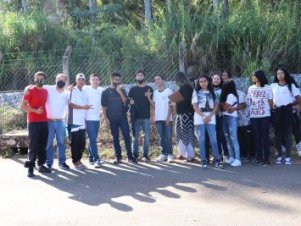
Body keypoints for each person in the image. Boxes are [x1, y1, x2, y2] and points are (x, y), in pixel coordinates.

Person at [21, 71, 51, 177]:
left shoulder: (45, 91)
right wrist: (35, 111)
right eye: (38, 78)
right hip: (33, 122)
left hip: (44, 121)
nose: (40, 80)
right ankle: (30, 167)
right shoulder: (29, 90)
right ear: (34, 79)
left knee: (43, 144)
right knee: (33, 145)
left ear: (44, 80)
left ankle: (41, 165)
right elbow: (23, 106)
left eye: (42, 78)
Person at [101, 72, 135, 164]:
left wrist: (120, 92)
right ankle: (118, 157)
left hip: (122, 117)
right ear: (112, 80)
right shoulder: (105, 92)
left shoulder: (122, 90)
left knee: (127, 136)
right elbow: (104, 107)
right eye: (116, 79)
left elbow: (125, 102)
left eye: (119, 80)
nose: (118, 81)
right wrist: (106, 119)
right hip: (112, 119)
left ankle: (130, 157)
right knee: (115, 138)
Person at [271, 68, 301, 165]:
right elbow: (270, 98)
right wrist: (273, 105)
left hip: (288, 113)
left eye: (281, 73)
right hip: (277, 112)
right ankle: (280, 155)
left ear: (285, 74)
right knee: (278, 135)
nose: (279, 75)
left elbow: (299, 98)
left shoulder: (291, 86)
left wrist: (291, 104)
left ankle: (288, 156)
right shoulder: (273, 86)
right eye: (278, 73)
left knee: (288, 135)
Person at [192, 75, 223, 168]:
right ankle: (203, 160)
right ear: (199, 83)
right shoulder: (196, 92)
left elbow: (216, 106)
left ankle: (217, 160)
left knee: (214, 140)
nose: (203, 83)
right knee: (202, 140)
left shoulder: (212, 92)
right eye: (201, 81)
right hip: (199, 119)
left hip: (211, 118)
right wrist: (203, 116)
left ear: (208, 82)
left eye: (204, 81)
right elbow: (195, 106)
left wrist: (209, 116)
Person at [247, 70, 273, 166]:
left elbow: (271, 102)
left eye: (254, 76)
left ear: (259, 76)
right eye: (252, 76)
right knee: (256, 137)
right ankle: (259, 158)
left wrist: (265, 108)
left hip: (265, 115)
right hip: (254, 116)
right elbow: (248, 100)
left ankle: (266, 159)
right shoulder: (250, 88)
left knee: (265, 137)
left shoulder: (268, 88)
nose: (252, 77)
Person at [45, 73, 70, 170]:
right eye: (58, 79)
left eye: (63, 80)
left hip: (60, 121)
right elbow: (36, 86)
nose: (60, 81)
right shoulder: (48, 88)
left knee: (61, 143)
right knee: (49, 143)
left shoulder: (67, 93)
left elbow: (70, 106)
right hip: (49, 121)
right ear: (55, 79)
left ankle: (62, 162)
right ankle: (49, 163)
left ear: (65, 82)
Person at [128, 70, 154, 162]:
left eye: (141, 75)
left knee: (146, 137)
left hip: (146, 117)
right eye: (138, 75)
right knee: (135, 137)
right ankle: (135, 156)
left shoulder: (149, 89)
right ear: (136, 78)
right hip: (135, 117)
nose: (140, 77)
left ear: (144, 77)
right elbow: (129, 102)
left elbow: (152, 104)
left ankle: (145, 155)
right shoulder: (132, 89)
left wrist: (152, 116)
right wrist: (130, 103)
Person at [68, 73, 92, 169]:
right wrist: (83, 107)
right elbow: (71, 105)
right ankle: (75, 161)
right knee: (75, 142)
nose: (81, 81)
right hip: (74, 120)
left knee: (82, 142)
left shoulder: (85, 91)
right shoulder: (73, 90)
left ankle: (79, 159)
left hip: (82, 121)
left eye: (82, 79)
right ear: (76, 80)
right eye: (79, 79)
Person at [151, 75, 174, 163]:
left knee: (168, 137)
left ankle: (170, 155)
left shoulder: (169, 91)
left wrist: (168, 117)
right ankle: (163, 154)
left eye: (159, 79)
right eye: (155, 80)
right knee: (161, 137)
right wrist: (149, 99)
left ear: (163, 80)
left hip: (167, 118)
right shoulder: (155, 92)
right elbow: (154, 106)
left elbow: (171, 105)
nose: (157, 81)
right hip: (158, 118)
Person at [84, 74, 104, 168]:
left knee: (92, 139)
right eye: (93, 79)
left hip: (97, 118)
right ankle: (97, 159)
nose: (95, 81)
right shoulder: (85, 89)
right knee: (92, 139)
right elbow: (74, 89)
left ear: (99, 81)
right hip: (88, 119)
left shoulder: (101, 90)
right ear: (90, 81)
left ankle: (91, 158)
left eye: (97, 79)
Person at [174, 72, 195, 161]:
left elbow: (186, 101)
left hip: (186, 114)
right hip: (180, 114)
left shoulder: (186, 87)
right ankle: (182, 152)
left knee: (187, 133)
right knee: (179, 133)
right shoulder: (184, 87)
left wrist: (175, 99)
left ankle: (190, 155)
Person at [220, 80, 241, 167]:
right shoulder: (227, 96)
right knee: (228, 138)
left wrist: (222, 105)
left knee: (233, 138)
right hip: (226, 117)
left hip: (231, 118)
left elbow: (224, 107)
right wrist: (223, 106)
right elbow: (224, 107)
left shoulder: (231, 95)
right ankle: (232, 157)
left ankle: (238, 159)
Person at [211, 73, 229, 160]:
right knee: (214, 135)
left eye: (218, 78)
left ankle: (226, 154)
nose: (216, 80)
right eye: (214, 78)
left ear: (221, 80)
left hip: (220, 115)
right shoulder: (209, 90)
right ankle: (218, 154)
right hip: (211, 115)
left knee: (221, 134)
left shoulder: (223, 89)